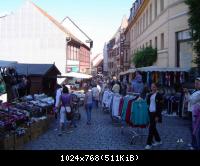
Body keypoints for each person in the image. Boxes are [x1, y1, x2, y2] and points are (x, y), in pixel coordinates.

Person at [145, 83, 163, 150]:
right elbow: (148, 103)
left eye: (154, 87)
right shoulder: (150, 95)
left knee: (151, 128)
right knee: (153, 128)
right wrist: (148, 96)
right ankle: (158, 140)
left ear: (157, 88)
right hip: (150, 113)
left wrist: (157, 116)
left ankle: (148, 143)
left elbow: (160, 107)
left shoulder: (159, 95)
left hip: (155, 114)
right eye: (152, 87)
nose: (153, 88)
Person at [185, 77, 200, 150]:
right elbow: (188, 99)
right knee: (191, 128)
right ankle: (193, 143)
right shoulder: (194, 91)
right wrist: (187, 95)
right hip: (190, 111)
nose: (196, 84)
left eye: (197, 83)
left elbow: (192, 100)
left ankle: (196, 145)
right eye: (195, 83)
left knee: (195, 129)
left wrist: (187, 93)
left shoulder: (199, 92)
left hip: (196, 113)